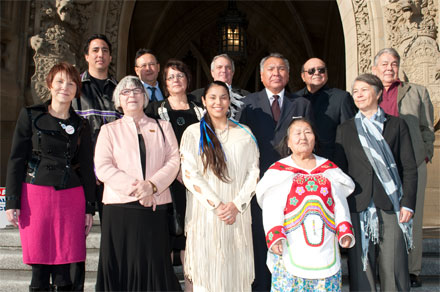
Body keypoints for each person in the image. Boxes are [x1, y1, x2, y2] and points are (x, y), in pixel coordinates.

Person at [5, 62, 96, 291]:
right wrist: (12, 201)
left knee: (64, 270)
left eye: (71, 83)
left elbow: (86, 168)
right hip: (35, 196)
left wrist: (89, 208)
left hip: (71, 198)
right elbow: (16, 160)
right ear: (50, 84)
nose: (65, 87)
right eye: (60, 81)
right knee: (39, 269)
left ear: (77, 89)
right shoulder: (30, 115)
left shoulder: (81, 124)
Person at [94, 76, 181, 291]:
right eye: (125, 92)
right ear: (118, 101)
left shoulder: (163, 126)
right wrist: (139, 189)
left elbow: (173, 160)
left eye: (136, 91)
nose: (131, 95)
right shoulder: (109, 130)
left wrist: (151, 186)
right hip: (120, 208)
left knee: (154, 265)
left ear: (144, 97)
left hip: (155, 206)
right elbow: (103, 166)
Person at [334, 73, 418, 291]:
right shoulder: (346, 129)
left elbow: (408, 167)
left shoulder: (397, 126)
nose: (359, 95)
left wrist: (408, 202)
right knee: (362, 268)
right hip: (358, 205)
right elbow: (339, 172)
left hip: (392, 205)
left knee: (394, 266)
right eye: (355, 91)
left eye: (364, 89)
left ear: (378, 93)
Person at [240, 52, 313, 291]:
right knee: (261, 240)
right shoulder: (248, 104)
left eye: (281, 69)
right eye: (270, 69)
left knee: (294, 238)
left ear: (289, 75)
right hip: (259, 184)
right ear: (261, 76)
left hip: (296, 185)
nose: (276, 73)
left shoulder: (301, 104)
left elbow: (310, 143)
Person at [256, 117, 355, 292]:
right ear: (288, 142)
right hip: (290, 247)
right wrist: (275, 236)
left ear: (315, 139)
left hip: (325, 249)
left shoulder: (328, 169)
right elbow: (272, 208)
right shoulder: (279, 171)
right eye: (297, 133)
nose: (303, 137)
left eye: (308, 132)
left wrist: (344, 230)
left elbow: (340, 204)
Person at [180, 81, 260, 292]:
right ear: (204, 101)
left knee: (236, 274)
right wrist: (217, 205)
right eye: (213, 97)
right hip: (206, 214)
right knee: (208, 274)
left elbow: (253, 173)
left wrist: (236, 205)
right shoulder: (193, 133)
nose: (218, 102)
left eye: (223, 97)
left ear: (229, 101)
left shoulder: (245, 133)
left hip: (237, 214)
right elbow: (189, 174)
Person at [371, 48, 435, 288]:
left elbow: (427, 128)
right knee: (379, 217)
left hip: (411, 164)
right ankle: (382, 269)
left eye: (394, 64)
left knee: (411, 217)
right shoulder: (368, 92)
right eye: (385, 64)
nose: (390, 68)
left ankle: (412, 270)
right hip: (379, 165)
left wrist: (424, 155)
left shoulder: (417, 92)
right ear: (375, 68)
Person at [145, 59, 203, 290]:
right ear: (165, 83)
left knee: (191, 240)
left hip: (194, 183)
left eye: (180, 75)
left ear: (187, 80)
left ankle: (190, 286)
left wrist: (190, 170)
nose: (176, 80)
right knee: (165, 239)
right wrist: (172, 168)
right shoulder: (155, 109)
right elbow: (149, 145)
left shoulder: (201, 109)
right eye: (171, 77)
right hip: (165, 182)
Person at [71, 33, 120, 291]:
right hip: (81, 175)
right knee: (76, 238)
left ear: (110, 57)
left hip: (113, 177)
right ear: (87, 56)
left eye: (104, 50)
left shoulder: (120, 91)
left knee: (112, 238)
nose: (100, 54)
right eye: (95, 50)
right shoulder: (75, 88)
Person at [295, 58, 356, 160]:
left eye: (321, 70)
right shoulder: (294, 99)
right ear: (303, 76)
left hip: (331, 161)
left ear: (326, 74)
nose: (317, 73)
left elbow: (349, 134)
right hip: (301, 161)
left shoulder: (341, 97)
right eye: (311, 71)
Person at [192, 54, 249, 120]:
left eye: (228, 68)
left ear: (232, 73)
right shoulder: (195, 96)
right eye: (219, 67)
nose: (224, 70)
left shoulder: (247, 96)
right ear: (212, 72)